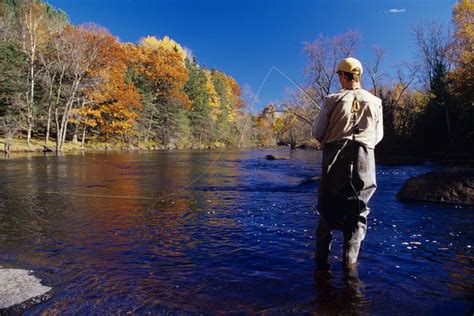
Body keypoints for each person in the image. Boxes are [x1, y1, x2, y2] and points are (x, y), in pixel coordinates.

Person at [312, 57, 383, 270]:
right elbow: (378, 137)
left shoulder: (331, 99)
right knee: (358, 212)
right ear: (358, 76)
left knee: (327, 211)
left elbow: (317, 133)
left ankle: (320, 268)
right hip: (365, 159)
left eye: (339, 76)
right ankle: (350, 269)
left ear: (343, 76)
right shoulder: (376, 102)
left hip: (335, 159)